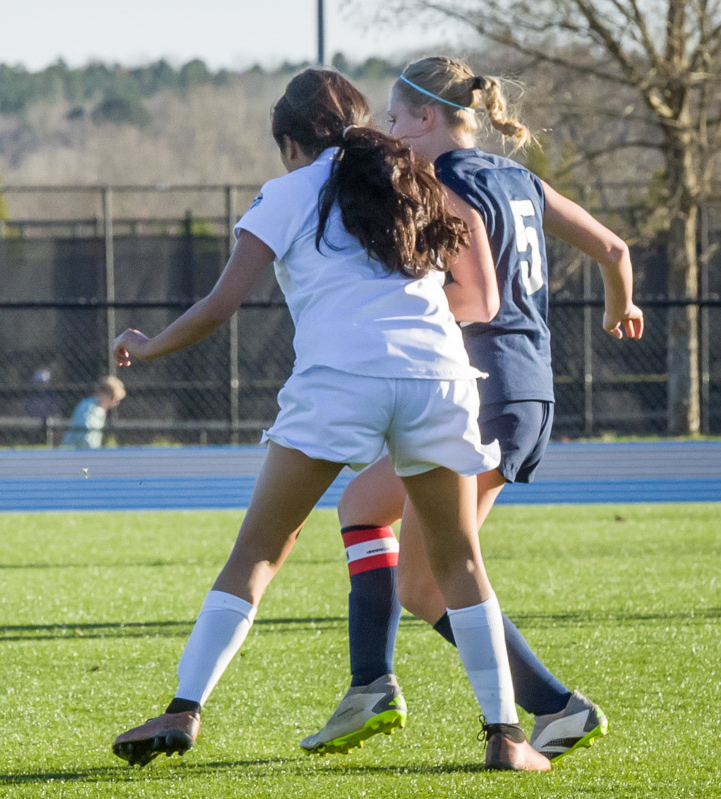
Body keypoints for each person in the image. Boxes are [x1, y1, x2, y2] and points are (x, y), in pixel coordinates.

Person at [110, 68, 549, 771]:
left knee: (258, 549)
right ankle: (507, 735)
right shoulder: (410, 179)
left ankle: (185, 709)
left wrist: (147, 344)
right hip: (439, 375)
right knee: (459, 558)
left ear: (289, 141)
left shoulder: (284, 194)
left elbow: (222, 306)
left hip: (343, 378)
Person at [301, 56, 644, 764]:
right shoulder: (518, 176)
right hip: (529, 387)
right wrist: (622, 305)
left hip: (479, 386)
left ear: (426, 117)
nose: (391, 136)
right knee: (389, 534)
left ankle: (541, 705)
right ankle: (521, 702)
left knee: (428, 570)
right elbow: (613, 247)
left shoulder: (437, 181)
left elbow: (471, 299)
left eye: (395, 121)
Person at [61, 376, 125, 449]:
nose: (115, 404)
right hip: (75, 453)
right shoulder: (89, 409)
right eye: (115, 399)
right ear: (104, 394)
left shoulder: (99, 409)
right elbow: (85, 439)